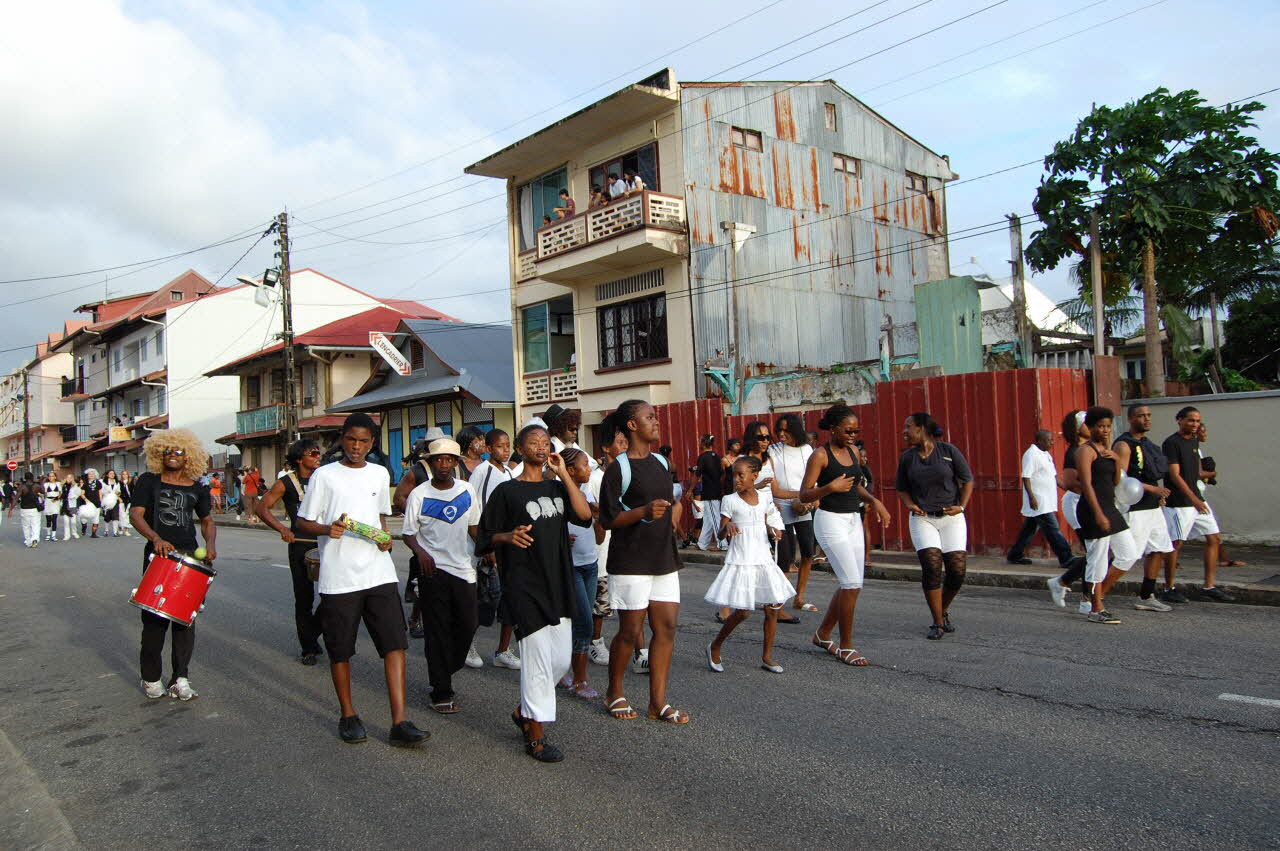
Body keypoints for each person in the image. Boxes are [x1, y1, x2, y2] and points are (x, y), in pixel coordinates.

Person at [296, 413, 428, 748]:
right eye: (351, 440)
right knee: (341, 649)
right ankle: (348, 715)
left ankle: (399, 720)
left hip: (378, 572)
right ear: (342, 438)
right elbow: (303, 523)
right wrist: (328, 529)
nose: (356, 447)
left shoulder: (380, 473)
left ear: (372, 443)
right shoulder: (324, 476)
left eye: (364, 441)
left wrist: (384, 537)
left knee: (394, 643)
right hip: (339, 578)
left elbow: (380, 516)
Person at [476, 423, 593, 762]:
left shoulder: (558, 487)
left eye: (546, 442)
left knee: (560, 660)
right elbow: (485, 537)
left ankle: (524, 711)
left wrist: (564, 475)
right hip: (524, 584)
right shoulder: (506, 491)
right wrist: (507, 537)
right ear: (519, 448)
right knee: (538, 661)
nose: (541, 447)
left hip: (558, 580)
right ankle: (536, 733)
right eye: (534, 442)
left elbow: (584, 516)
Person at [598, 400, 689, 725]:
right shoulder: (618, 468)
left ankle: (658, 703)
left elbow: (672, 498)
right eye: (649, 417)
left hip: (664, 558)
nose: (656, 421)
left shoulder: (662, 462)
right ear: (632, 425)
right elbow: (608, 520)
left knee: (666, 629)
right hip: (631, 561)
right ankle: (614, 691)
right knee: (630, 631)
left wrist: (675, 509)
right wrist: (642, 512)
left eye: (655, 416)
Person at [128, 428, 216, 700]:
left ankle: (180, 678)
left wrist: (210, 545)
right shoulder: (148, 481)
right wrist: (155, 538)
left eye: (178, 451)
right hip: (160, 556)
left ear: (188, 455)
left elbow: (207, 520)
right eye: (167, 451)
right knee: (154, 620)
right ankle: (151, 677)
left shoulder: (198, 487)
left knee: (184, 621)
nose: (173, 455)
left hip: (189, 558)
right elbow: (135, 515)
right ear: (159, 453)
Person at [801, 404, 892, 663]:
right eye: (848, 431)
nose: (853, 436)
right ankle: (846, 645)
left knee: (852, 584)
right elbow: (804, 493)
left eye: (856, 431)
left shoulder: (853, 452)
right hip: (830, 522)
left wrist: (875, 501)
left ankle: (822, 634)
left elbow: (855, 488)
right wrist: (830, 487)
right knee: (851, 583)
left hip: (853, 519)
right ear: (833, 429)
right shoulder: (820, 455)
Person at [402, 438, 482, 715]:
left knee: (469, 624)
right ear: (430, 463)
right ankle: (441, 690)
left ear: (456, 462)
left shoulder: (467, 491)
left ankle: (445, 669)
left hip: (463, 568)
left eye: (450, 460)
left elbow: (474, 528)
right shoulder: (419, 495)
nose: (444, 465)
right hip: (433, 571)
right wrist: (420, 553)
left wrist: (489, 550)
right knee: (437, 632)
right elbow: (408, 533)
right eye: (439, 460)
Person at [705, 456, 793, 673]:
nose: (736, 479)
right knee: (743, 612)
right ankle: (715, 645)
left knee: (772, 608)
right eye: (733, 475)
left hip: (763, 557)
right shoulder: (730, 500)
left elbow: (772, 521)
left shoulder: (764, 498)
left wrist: (775, 530)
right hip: (742, 559)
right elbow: (721, 534)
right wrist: (729, 527)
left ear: (754, 476)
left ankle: (767, 657)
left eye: (741, 475)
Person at [895, 412, 974, 640]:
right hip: (923, 519)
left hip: (952, 517)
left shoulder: (948, 451)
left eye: (908, 427)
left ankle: (943, 609)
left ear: (921, 429)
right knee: (931, 566)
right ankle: (937, 621)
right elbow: (901, 488)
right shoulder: (907, 458)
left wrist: (962, 506)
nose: (904, 432)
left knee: (957, 572)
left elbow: (967, 480)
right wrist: (910, 504)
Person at [256, 438, 325, 664]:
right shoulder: (286, 482)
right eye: (313, 453)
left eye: (318, 453)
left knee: (334, 595)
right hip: (301, 544)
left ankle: (312, 632)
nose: (318, 457)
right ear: (299, 458)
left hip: (327, 542)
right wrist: (282, 529)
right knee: (304, 598)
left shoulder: (325, 478)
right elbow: (261, 507)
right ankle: (308, 648)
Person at [1074, 407, 1140, 623]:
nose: (1104, 430)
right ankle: (1096, 608)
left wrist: (1116, 461)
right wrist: (1098, 514)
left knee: (1129, 553)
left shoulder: (1107, 450)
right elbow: (1086, 484)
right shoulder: (1086, 451)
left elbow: (1116, 483)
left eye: (1108, 426)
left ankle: (1098, 595)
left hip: (1110, 507)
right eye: (1100, 426)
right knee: (1098, 558)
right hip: (1093, 509)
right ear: (1091, 427)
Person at [1161, 407, 1232, 602]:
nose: (1195, 424)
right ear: (1180, 420)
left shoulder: (1193, 441)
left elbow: (1194, 472)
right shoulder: (1171, 443)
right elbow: (1175, 475)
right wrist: (1193, 499)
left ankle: (1209, 586)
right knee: (1176, 543)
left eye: (1197, 421)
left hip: (1197, 499)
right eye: (1191, 420)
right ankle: (1169, 588)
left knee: (1214, 538)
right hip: (1180, 503)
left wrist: (1206, 480)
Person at [1113, 405, 1175, 613]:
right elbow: (1121, 479)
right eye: (1141, 416)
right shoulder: (1124, 444)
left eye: (1148, 415)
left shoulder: (1148, 444)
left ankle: (1146, 595)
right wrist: (1153, 489)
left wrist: (1158, 495)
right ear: (1131, 419)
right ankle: (1093, 595)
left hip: (1152, 507)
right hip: (1135, 508)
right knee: (1126, 556)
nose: (1147, 419)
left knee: (1159, 549)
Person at [472, 428, 522, 669]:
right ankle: (468, 644)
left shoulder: (510, 471)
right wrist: (485, 545)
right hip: (490, 542)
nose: (505, 450)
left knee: (509, 597)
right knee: (485, 599)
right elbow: (476, 509)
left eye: (507, 445)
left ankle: (502, 650)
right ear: (489, 449)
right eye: (500, 446)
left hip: (508, 542)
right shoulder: (482, 471)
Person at [560, 447, 603, 699]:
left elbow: (598, 537)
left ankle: (565, 671)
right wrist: (561, 538)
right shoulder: (560, 495)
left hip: (591, 563)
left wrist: (599, 520)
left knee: (579, 622)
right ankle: (580, 680)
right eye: (584, 465)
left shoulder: (588, 493)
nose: (588, 469)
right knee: (584, 622)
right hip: (571, 566)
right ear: (570, 470)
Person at [586, 420, 630, 666]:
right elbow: (596, 514)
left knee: (622, 600)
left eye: (626, 442)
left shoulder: (627, 474)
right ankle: (595, 642)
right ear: (605, 448)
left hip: (623, 547)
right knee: (600, 602)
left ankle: (635, 648)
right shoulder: (596, 478)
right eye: (620, 443)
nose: (624, 447)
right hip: (601, 549)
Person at [768, 414, 818, 612]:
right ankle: (778, 602)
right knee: (786, 557)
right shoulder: (773, 450)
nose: (781, 434)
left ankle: (799, 598)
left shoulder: (807, 450)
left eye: (786, 430)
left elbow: (813, 478)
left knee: (808, 552)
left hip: (803, 505)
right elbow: (775, 488)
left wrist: (810, 497)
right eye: (778, 430)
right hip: (781, 506)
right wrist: (803, 495)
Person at [1006, 430, 1075, 568]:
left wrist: (1071, 489)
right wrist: (1032, 498)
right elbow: (1026, 477)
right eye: (1049, 440)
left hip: (1048, 500)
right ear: (1039, 441)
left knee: (1030, 529)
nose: (1052, 442)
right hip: (1039, 500)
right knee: (1052, 529)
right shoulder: (1031, 455)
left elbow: (1054, 477)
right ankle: (1066, 558)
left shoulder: (1046, 455)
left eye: (1052, 440)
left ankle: (1015, 554)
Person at [694, 434, 724, 551]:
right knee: (708, 518)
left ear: (703, 443)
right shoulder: (716, 456)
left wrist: (691, 489)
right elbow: (721, 473)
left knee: (715, 518)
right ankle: (702, 543)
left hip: (710, 492)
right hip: (715, 490)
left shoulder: (703, 457)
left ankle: (722, 544)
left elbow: (697, 474)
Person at [15, 473, 42, 547]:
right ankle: (35, 539)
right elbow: (44, 492)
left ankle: (28, 541)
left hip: (24, 509)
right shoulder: (37, 486)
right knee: (36, 525)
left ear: (25, 478)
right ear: (32, 477)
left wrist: (11, 509)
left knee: (26, 526)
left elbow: (16, 498)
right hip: (35, 508)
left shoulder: (22, 487)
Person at [101, 469, 124, 536]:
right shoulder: (104, 482)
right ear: (107, 475)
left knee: (115, 516)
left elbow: (119, 491)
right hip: (107, 501)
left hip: (115, 500)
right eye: (110, 473)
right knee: (107, 517)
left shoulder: (117, 482)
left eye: (113, 473)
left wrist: (118, 493)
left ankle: (115, 532)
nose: (112, 475)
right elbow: (102, 491)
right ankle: (106, 530)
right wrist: (107, 492)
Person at [41, 472, 63, 542]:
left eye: (52, 476)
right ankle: (48, 534)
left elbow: (60, 493)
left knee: (54, 519)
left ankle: (53, 535)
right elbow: (43, 493)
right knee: (48, 519)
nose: (51, 478)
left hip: (55, 502)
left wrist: (56, 499)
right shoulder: (46, 484)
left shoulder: (58, 484)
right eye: (49, 476)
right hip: (48, 502)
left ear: (55, 477)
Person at [82, 468, 103, 537]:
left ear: (95, 475)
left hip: (96, 502)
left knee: (96, 518)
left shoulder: (98, 482)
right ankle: (84, 526)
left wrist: (100, 500)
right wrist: (86, 500)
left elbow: (100, 492)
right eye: (89, 474)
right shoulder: (85, 483)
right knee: (84, 517)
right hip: (87, 502)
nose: (91, 475)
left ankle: (93, 533)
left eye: (92, 474)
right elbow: (82, 493)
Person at [60, 473, 82, 540]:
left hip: (72, 504)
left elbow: (78, 493)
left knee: (73, 521)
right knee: (66, 521)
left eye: (71, 477)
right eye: (68, 477)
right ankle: (67, 535)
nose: (69, 479)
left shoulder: (75, 486)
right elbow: (60, 494)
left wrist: (74, 496)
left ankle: (74, 532)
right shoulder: (63, 486)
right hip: (65, 504)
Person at [118, 470, 133, 537]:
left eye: (126, 474)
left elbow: (133, 491)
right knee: (121, 515)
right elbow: (117, 492)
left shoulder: (131, 483)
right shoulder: (119, 483)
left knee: (127, 516)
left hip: (129, 501)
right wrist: (119, 498)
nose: (124, 476)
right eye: (123, 474)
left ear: (128, 475)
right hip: (122, 501)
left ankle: (126, 530)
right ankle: (120, 528)